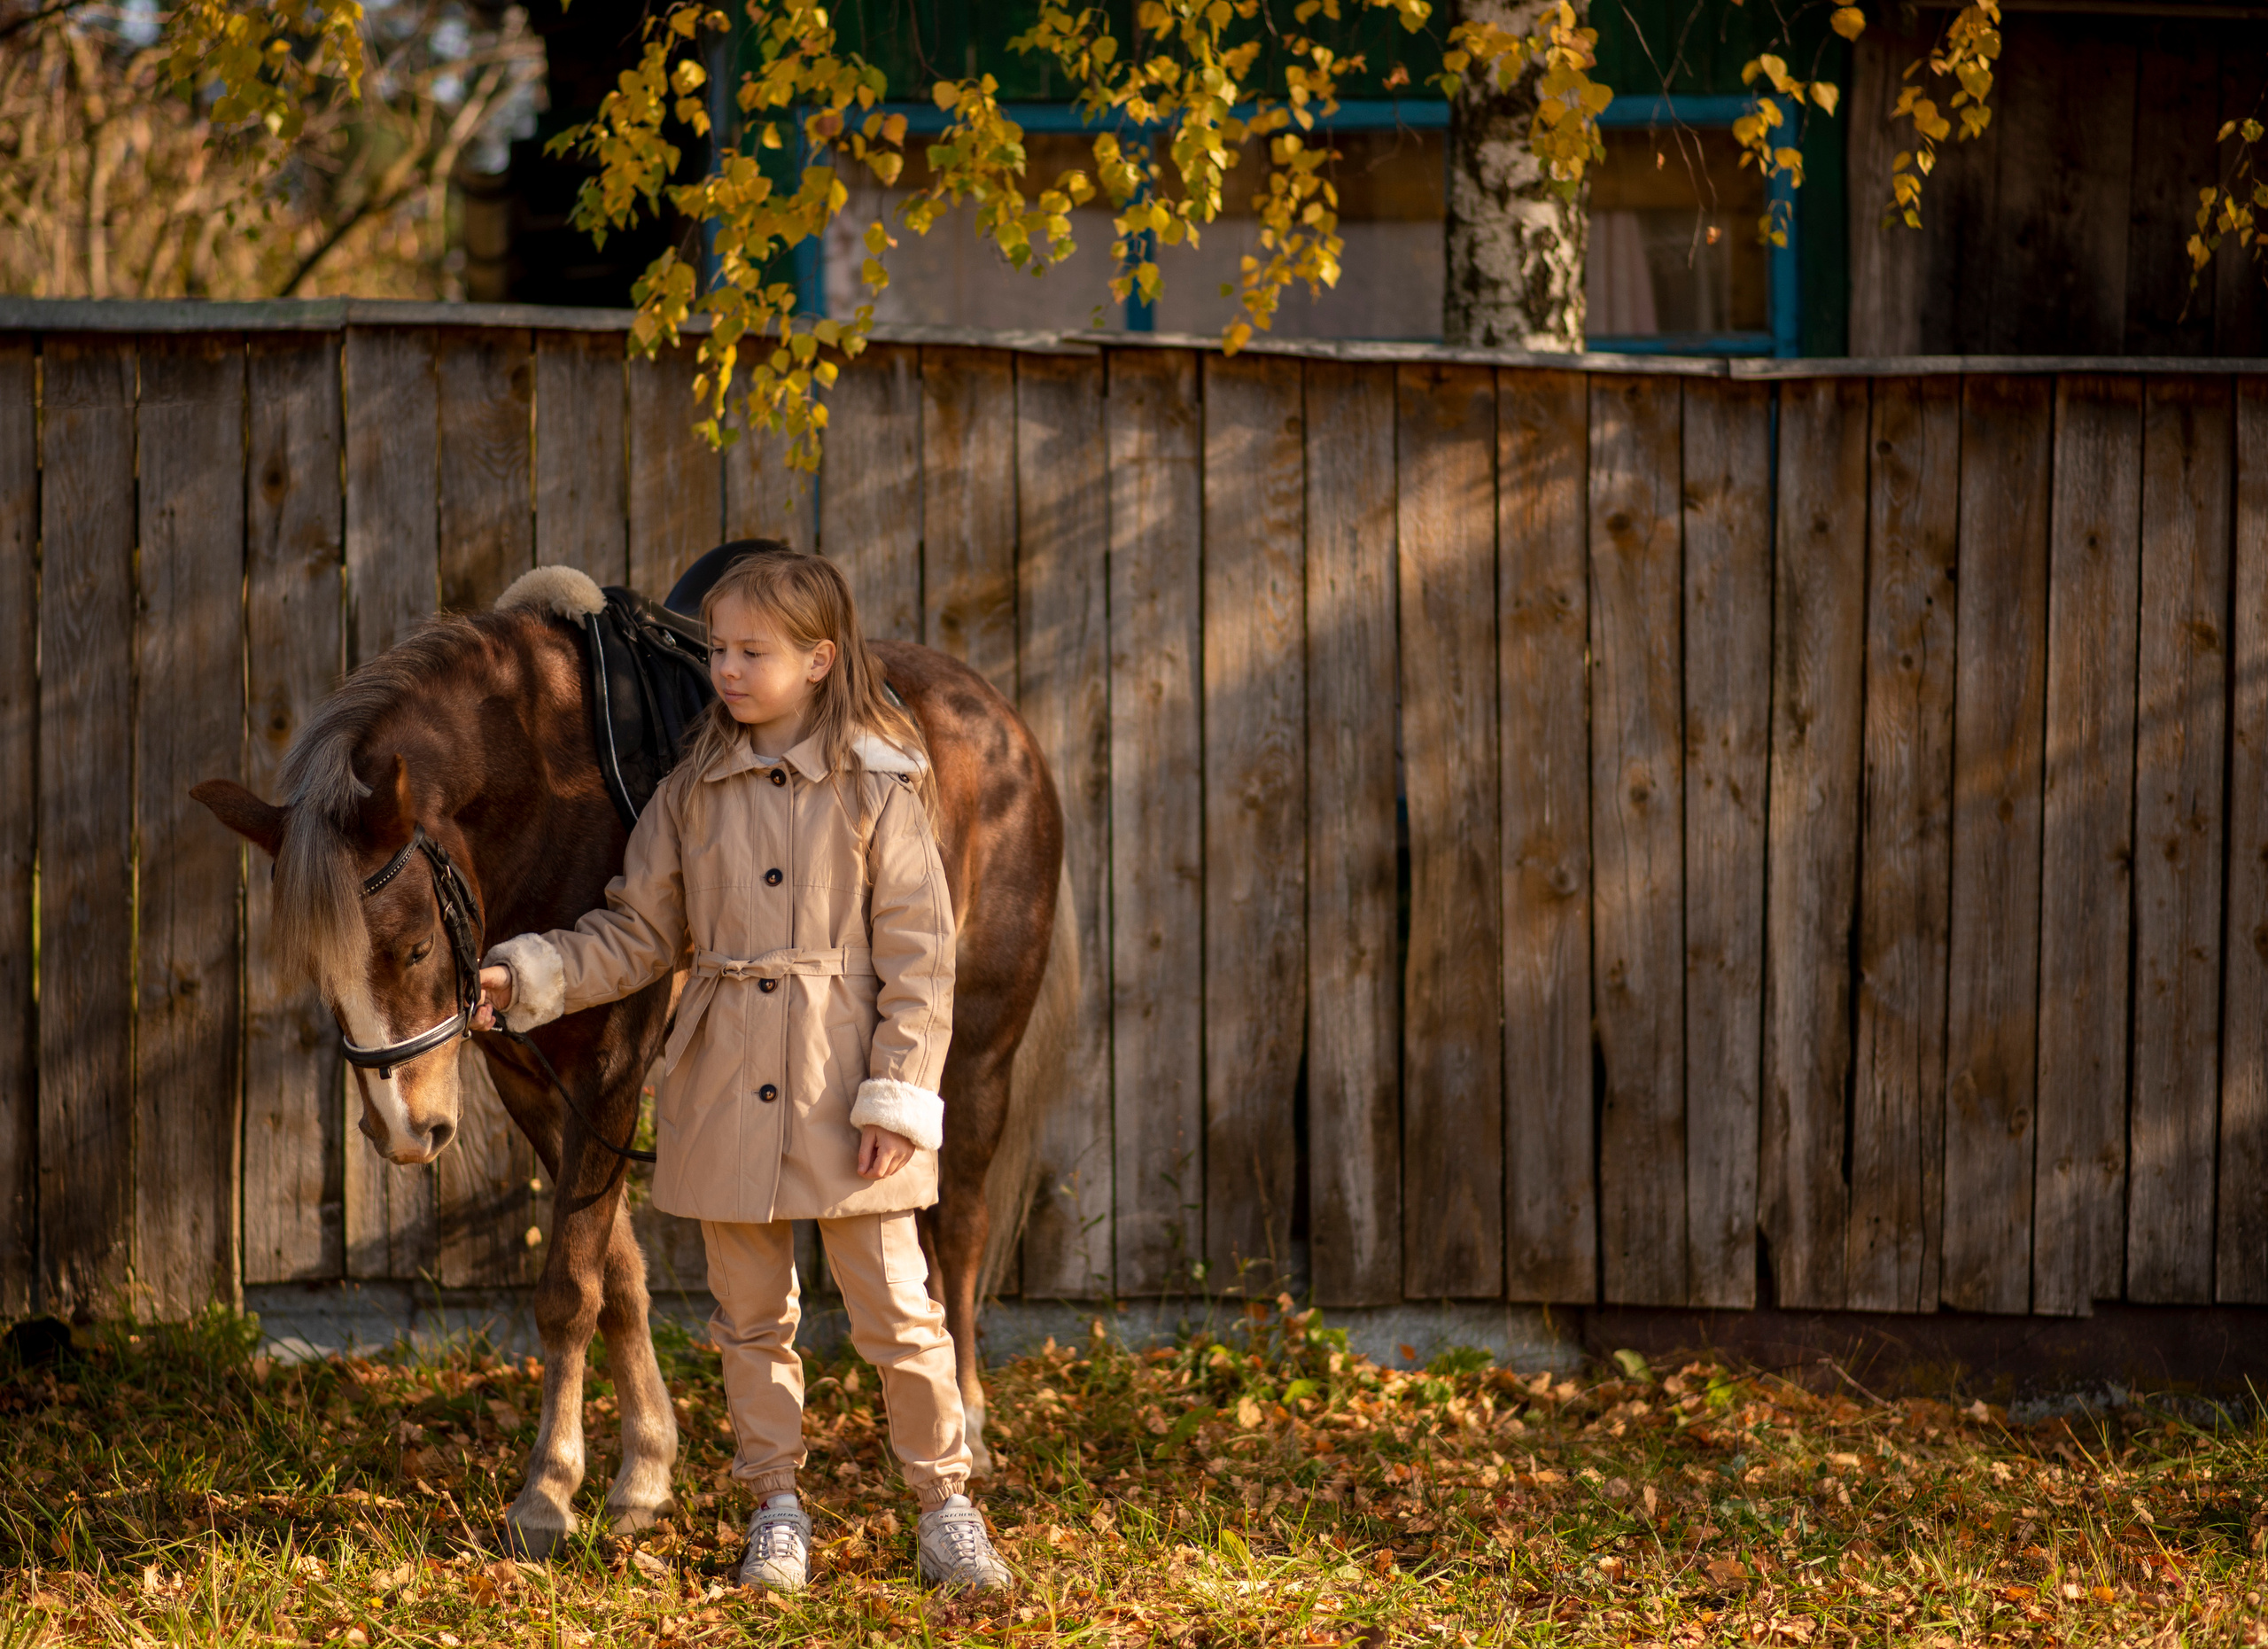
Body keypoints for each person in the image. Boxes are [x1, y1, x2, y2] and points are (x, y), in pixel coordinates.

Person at [473, 548, 1012, 1593]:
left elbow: (919, 959)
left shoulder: (878, 786)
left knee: (897, 1314)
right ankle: (776, 1507)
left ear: (818, 660)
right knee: (750, 1322)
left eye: (750, 651)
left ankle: (946, 1506)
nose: (724, 668)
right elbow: (636, 934)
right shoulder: (689, 796)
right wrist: (535, 969)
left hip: (842, 1084)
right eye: (716, 648)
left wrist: (898, 1092)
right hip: (726, 1085)